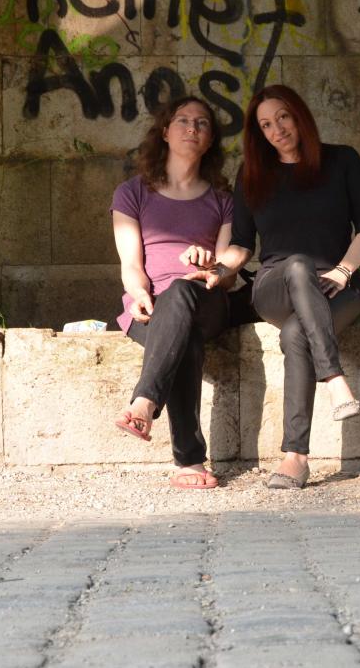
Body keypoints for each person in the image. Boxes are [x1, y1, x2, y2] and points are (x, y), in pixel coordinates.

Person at [191, 84, 360, 489]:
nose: (277, 130)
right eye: (266, 125)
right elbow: (242, 244)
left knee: (296, 335)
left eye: (283, 118)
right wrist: (219, 269)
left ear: (299, 115)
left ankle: (295, 457)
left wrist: (343, 272)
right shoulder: (253, 174)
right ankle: (334, 379)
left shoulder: (342, 161)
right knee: (296, 265)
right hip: (276, 285)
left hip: (336, 284)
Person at [110, 95, 232, 490]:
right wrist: (138, 293)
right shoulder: (131, 193)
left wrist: (210, 266)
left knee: (182, 291)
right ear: (164, 132)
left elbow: (228, 270)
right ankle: (190, 462)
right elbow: (131, 263)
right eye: (182, 120)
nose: (192, 128)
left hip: (206, 299)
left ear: (210, 140)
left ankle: (144, 402)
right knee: (184, 335)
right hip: (149, 306)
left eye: (202, 122)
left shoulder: (224, 199)